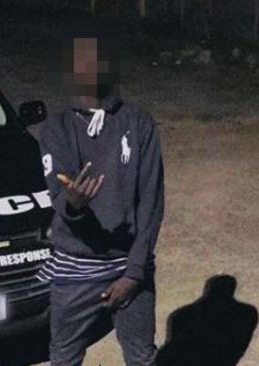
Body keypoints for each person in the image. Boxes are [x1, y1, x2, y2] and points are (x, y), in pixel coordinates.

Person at [36, 36, 165, 366]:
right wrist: (74, 205)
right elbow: (59, 196)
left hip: (128, 264)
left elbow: (151, 202)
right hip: (75, 266)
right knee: (64, 354)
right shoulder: (56, 129)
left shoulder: (138, 124)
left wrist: (134, 274)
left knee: (142, 355)